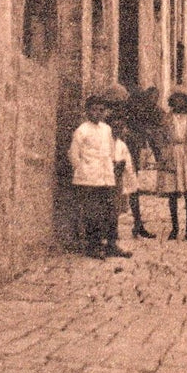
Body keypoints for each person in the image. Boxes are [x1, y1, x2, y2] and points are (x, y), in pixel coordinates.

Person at [68, 95, 127, 259]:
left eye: (101, 110)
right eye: (93, 110)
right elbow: (74, 155)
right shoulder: (82, 130)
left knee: (110, 211)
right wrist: (84, 170)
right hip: (89, 178)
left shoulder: (106, 129)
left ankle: (111, 244)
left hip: (106, 175)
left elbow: (109, 149)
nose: (97, 113)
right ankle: (93, 246)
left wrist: (112, 166)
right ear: (87, 111)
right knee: (92, 213)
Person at [155, 90, 187, 240]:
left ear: (186, 102)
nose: (179, 103)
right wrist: (165, 154)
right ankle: (174, 228)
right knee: (172, 193)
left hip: (186, 155)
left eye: (182, 100)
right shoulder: (166, 119)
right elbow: (161, 137)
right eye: (176, 100)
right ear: (172, 102)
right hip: (171, 155)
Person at [109, 107, 154, 241]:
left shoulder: (125, 140)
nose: (119, 129)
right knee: (114, 201)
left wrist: (132, 171)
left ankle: (138, 225)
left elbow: (130, 158)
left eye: (121, 126)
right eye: (115, 126)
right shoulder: (106, 140)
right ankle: (112, 231)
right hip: (111, 172)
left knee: (134, 192)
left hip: (125, 169)